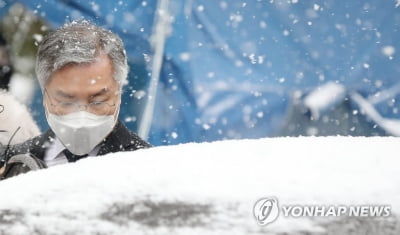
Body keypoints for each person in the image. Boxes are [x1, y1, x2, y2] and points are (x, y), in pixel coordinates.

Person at [0, 21, 151, 178]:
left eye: (98, 101)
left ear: (118, 94)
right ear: (45, 96)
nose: (81, 116)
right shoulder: (10, 164)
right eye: (66, 101)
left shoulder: (147, 167)